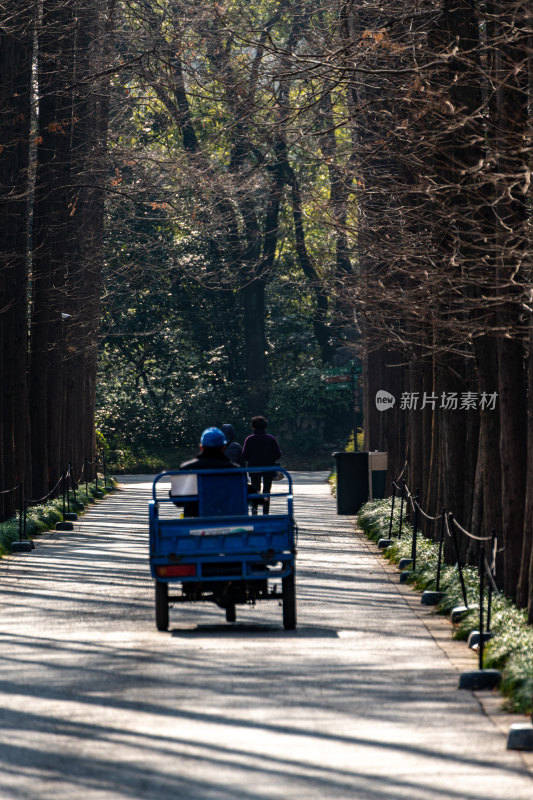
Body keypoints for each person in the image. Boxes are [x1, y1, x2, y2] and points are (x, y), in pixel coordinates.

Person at [173, 427, 236, 516]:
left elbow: (177, 502)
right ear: (223, 448)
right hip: (228, 520)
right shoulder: (235, 470)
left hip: (195, 521)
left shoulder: (187, 469)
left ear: (201, 447)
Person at [242, 416, 282, 514]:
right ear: (265, 427)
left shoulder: (249, 439)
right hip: (268, 468)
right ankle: (265, 511)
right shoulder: (271, 439)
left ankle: (254, 511)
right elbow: (278, 455)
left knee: (255, 489)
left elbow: (244, 456)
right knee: (267, 490)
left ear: (253, 427)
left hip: (254, 468)